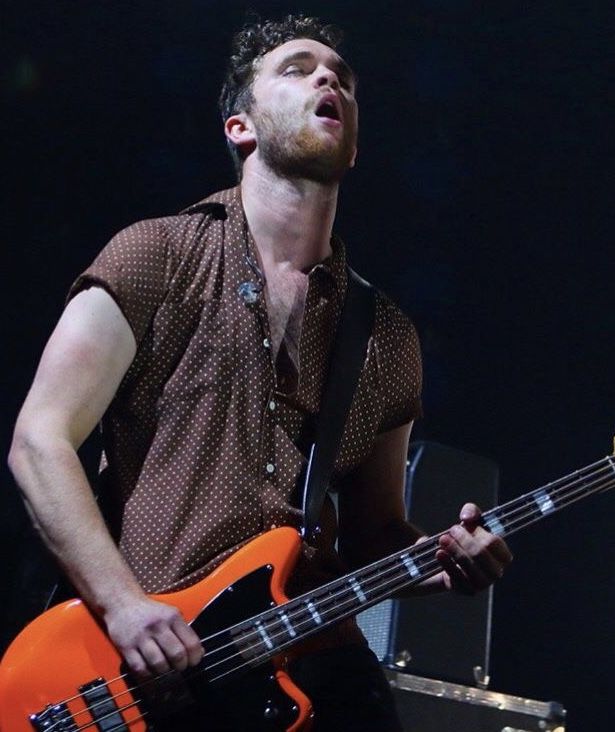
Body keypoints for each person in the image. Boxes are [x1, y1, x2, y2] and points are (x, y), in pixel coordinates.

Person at [8, 14, 512, 731]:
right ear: (239, 126)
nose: (329, 79)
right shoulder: (156, 255)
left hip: (311, 664)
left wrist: (443, 560)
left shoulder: (386, 336)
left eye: (341, 77)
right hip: (148, 670)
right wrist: (123, 607)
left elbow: (375, 532)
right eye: (298, 69)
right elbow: (39, 441)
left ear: (355, 143)